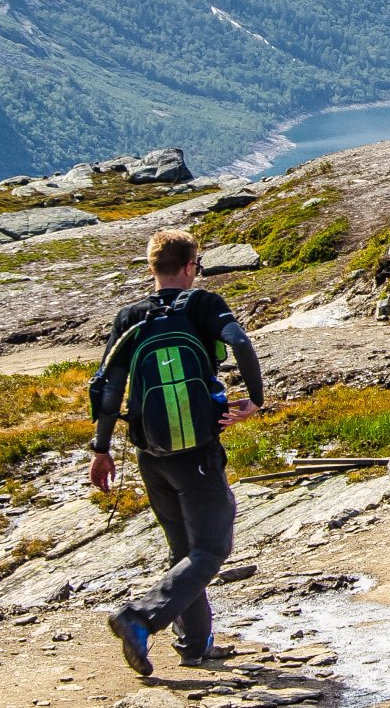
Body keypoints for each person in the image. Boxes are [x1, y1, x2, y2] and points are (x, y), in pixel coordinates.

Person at [89, 229, 264, 678]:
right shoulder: (203, 304)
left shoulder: (130, 316)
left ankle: (194, 645)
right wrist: (255, 401)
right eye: (198, 266)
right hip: (198, 452)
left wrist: (102, 449)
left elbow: (109, 388)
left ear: (152, 268)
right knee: (211, 547)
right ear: (189, 267)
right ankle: (140, 618)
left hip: (150, 453)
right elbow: (240, 343)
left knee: (184, 550)